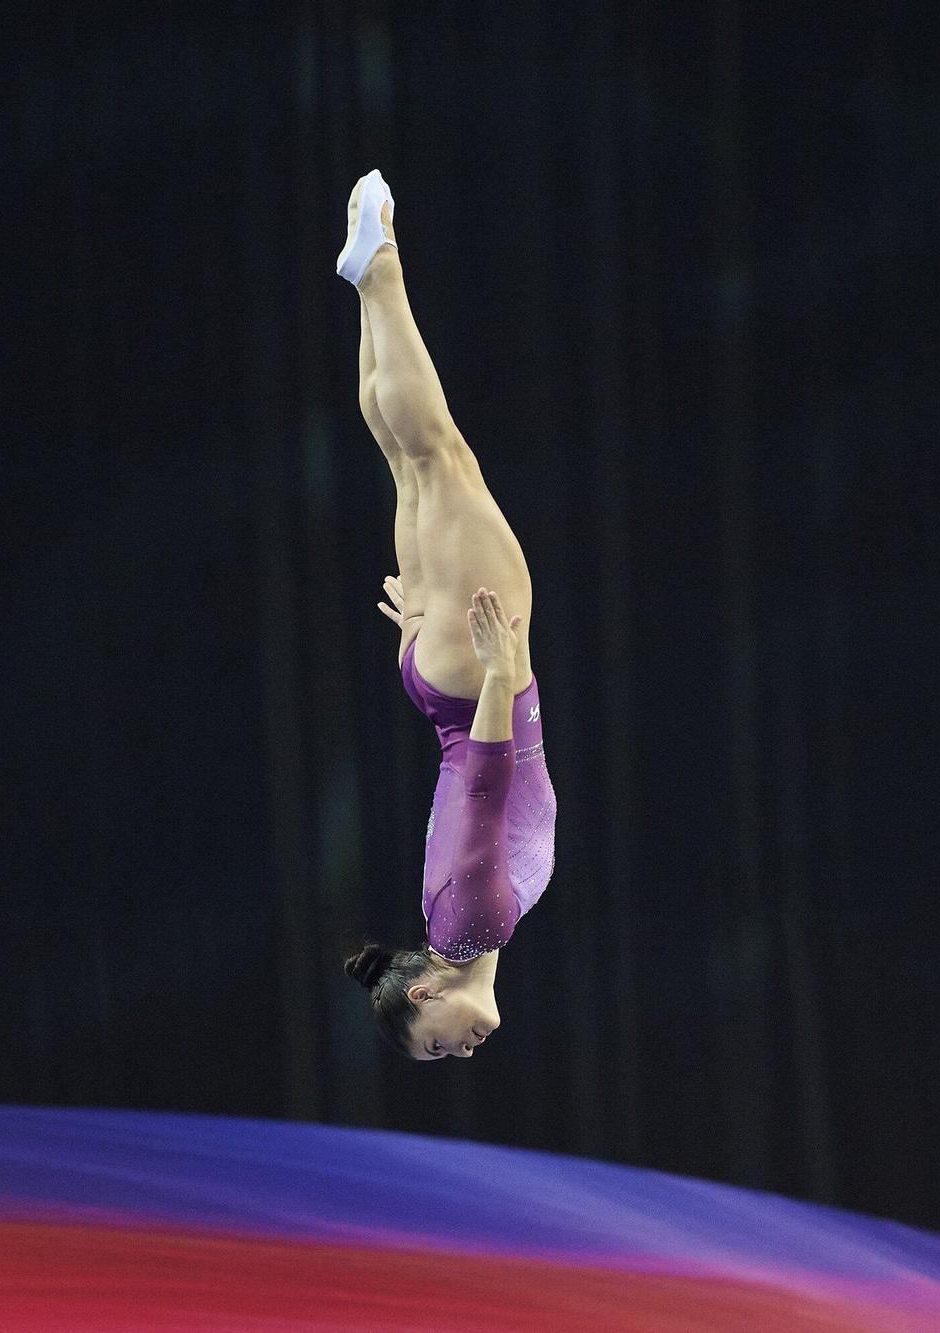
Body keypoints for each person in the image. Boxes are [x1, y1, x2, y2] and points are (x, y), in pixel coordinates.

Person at [334, 171, 557, 1061]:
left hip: (475, 681)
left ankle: (379, 268)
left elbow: (486, 787)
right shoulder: (458, 922)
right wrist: (431, 657)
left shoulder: (467, 928)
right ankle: (364, 280)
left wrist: (499, 675)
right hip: (440, 687)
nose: (458, 1051)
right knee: (407, 460)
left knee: (441, 456)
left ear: (424, 990)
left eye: (432, 1043)